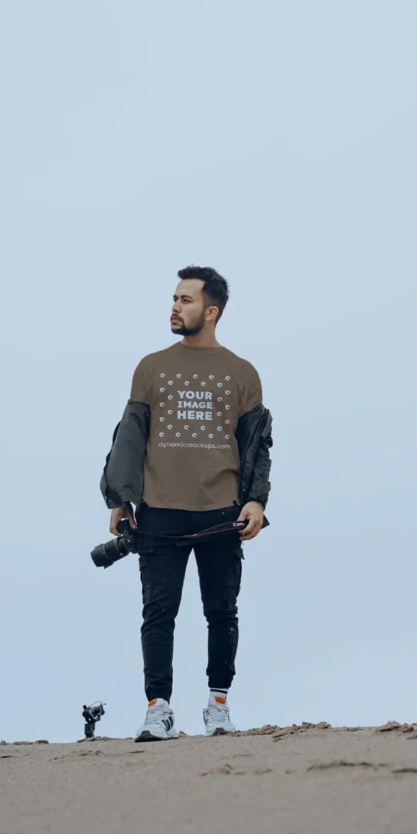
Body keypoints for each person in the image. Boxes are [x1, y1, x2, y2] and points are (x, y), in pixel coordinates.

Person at [100, 266, 273, 741]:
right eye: (174, 298)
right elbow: (130, 437)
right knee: (158, 614)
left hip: (221, 513)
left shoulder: (242, 373)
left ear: (211, 311)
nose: (175, 307)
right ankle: (158, 709)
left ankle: (218, 706)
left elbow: (256, 444)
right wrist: (121, 500)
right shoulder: (151, 366)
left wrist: (256, 500)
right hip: (159, 511)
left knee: (222, 611)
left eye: (186, 300)